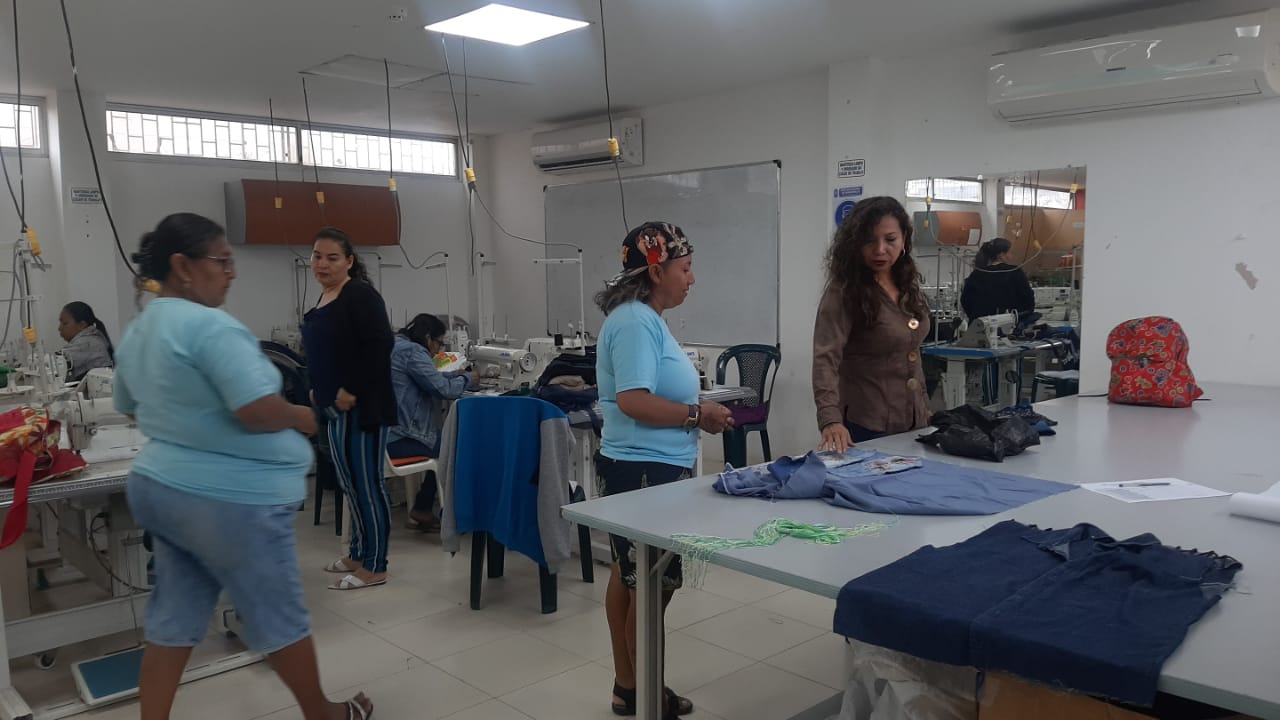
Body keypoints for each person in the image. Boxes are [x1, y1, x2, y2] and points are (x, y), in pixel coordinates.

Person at [115, 213, 372, 720]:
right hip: (229, 500)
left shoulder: (141, 329)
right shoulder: (211, 325)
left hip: (162, 489)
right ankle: (322, 714)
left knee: (173, 617)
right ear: (183, 267)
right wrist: (305, 417)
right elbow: (255, 410)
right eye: (223, 261)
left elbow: (128, 405)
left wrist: (185, 421)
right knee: (276, 612)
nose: (232, 273)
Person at [594, 221, 734, 720]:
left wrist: (695, 408)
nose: (691, 279)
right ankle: (649, 698)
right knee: (651, 590)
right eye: (685, 268)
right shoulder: (635, 321)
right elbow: (634, 400)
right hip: (644, 473)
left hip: (640, 467)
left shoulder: (644, 318)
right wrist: (698, 415)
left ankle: (629, 687)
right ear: (656, 272)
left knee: (630, 579)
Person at [300, 227, 397, 591]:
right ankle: (358, 553)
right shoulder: (326, 295)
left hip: (363, 407)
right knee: (349, 484)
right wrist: (318, 389)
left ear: (349, 262)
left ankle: (376, 565)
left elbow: (380, 346)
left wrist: (350, 390)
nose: (322, 264)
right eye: (317, 256)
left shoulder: (359, 294)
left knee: (368, 484)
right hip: (334, 407)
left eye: (332, 258)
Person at [813, 196, 932, 453]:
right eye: (869, 240)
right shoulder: (844, 292)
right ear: (855, 243)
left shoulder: (906, 284)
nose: (880, 250)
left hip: (915, 419)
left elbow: (911, 352)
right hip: (868, 423)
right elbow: (826, 358)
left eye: (890, 239)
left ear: (904, 239)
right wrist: (830, 419)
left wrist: (925, 409)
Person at [388, 313, 476, 532]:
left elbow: (428, 378)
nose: (438, 350)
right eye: (439, 343)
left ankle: (423, 506)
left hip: (382, 436)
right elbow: (443, 390)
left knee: (445, 442)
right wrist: (468, 379)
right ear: (428, 338)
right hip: (401, 438)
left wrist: (456, 375)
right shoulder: (413, 352)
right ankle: (451, 514)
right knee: (457, 446)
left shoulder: (395, 345)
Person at [960, 237, 1036, 321]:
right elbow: (1028, 299)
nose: (1012, 256)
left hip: (981, 324)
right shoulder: (1014, 272)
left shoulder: (977, 274)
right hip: (1010, 322)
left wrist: (977, 318)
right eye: (1010, 253)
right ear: (1001, 255)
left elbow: (965, 300)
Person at [58, 301, 114, 382]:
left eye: (65, 323)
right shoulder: (94, 338)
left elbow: (56, 364)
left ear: (81, 325)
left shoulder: (88, 343)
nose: (59, 328)